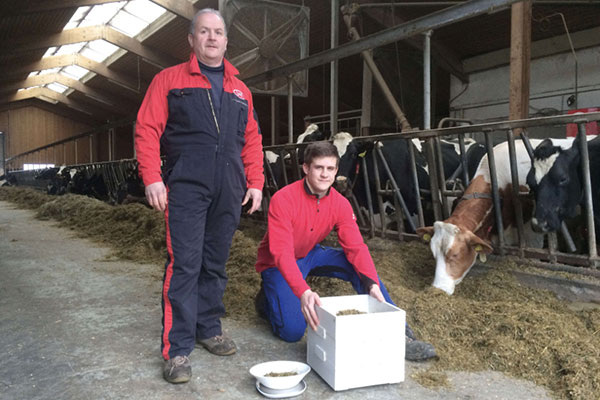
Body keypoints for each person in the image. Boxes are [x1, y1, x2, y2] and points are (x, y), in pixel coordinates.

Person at [135, 8, 264, 384]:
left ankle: (208, 327)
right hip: (187, 186)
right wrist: (152, 178)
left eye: (218, 32)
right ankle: (176, 350)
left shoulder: (241, 90)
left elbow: (252, 139)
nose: (212, 38)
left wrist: (254, 182)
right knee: (185, 264)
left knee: (215, 263)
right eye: (204, 32)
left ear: (226, 40)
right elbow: (146, 129)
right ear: (191, 40)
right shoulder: (169, 80)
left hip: (230, 188)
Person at [254, 141, 436, 361]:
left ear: (336, 170)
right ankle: (266, 301)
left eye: (330, 169)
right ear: (306, 168)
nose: (324, 174)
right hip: (278, 264)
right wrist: (303, 292)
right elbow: (281, 253)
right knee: (292, 333)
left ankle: (400, 334)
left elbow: (356, 247)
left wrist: (371, 283)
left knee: (361, 270)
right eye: (319, 167)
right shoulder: (283, 199)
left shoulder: (340, 204)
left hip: (311, 254)